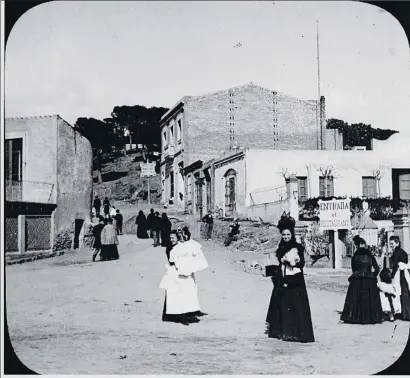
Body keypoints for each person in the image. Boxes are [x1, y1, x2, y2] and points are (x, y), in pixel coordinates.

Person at [265, 214, 315, 343]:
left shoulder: (297, 247)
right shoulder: (280, 247)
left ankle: (297, 334)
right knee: (284, 306)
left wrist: (292, 262)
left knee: (296, 306)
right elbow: (277, 264)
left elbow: (302, 264)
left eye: (288, 235)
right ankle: (286, 332)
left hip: (295, 281)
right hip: (284, 280)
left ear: (291, 234)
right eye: (284, 235)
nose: (286, 237)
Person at [160, 230, 201, 325]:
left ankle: (187, 314)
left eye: (173, 238)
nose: (171, 240)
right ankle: (178, 316)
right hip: (175, 273)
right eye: (170, 238)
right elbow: (172, 261)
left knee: (186, 294)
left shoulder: (182, 247)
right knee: (175, 294)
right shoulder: (170, 248)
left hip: (184, 272)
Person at [340, 235, 383, 324]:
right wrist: (373, 276)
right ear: (364, 244)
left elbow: (354, 270)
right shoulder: (370, 255)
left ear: (356, 245)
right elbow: (377, 268)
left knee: (356, 299)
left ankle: (356, 317)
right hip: (369, 280)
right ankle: (371, 317)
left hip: (357, 279)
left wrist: (358, 274)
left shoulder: (354, 256)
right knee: (370, 299)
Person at [389, 235, 410, 321]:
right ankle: (406, 313)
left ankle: (404, 314)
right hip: (405, 274)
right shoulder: (403, 252)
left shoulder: (396, 253)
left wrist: (392, 275)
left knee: (400, 293)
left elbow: (395, 266)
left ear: (397, 243)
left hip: (400, 275)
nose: (391, 245)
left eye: (392, 243)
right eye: (390, 244)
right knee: (405, 293)